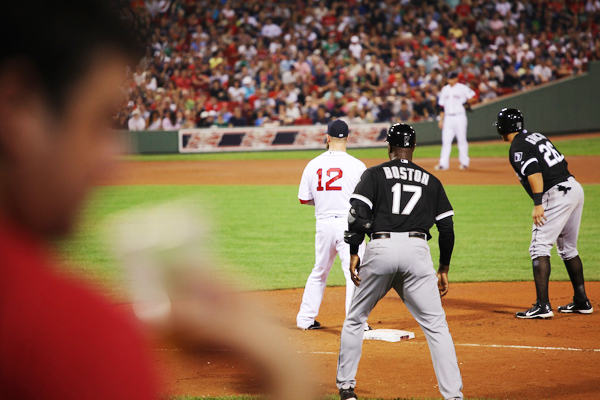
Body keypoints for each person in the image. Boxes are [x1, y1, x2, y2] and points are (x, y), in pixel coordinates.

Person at [0, 1, 313, 399]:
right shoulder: (74, 337)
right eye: (99, 121)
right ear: (19, 108)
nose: (112, 164)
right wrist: (286, 374)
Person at [337, 123, 463, 400]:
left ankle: (346, 388)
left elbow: (357, 215)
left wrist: (355, 251)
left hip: (381, 248)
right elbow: (447, 228)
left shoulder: (373, 174)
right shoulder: (432, 180)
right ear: (414, 146)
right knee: (437, 327)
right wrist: (444, 267)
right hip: (418, 252)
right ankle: (453, 396)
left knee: (356, 319)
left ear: (389, 146)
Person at [494, 108, 593, 318]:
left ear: (503, 128)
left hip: (555, 194)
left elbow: (534, 172)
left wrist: (538, 203)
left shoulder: (518, 145)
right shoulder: (535, 136)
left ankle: (542, 306)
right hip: (574, 188)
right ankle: (581, 300)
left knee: (539, 247)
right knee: (568, 249)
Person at [297, 120, 368, 330]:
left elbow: (304, 199)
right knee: (354, 273)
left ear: (327, 137)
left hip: (323, 224)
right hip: (350, 224)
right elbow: (365, 202)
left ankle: (305, 319)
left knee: (319, 271)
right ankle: (355, 323)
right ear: (348, 138)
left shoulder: (313, 164)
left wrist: (325, 202)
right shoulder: (357, 165)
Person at [435, 71, 477, 171]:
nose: (450, 80)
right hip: (448, 118)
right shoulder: (445, 89)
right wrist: (441, 120)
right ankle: (443, 164)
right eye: (448, 78)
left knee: (461, 140)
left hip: (460, 117)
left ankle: (464, 163)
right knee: (446, 141)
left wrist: (466, 102)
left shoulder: (462, 88)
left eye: (451, 78)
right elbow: (442, 106)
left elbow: (474, 97)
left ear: (456, 79)